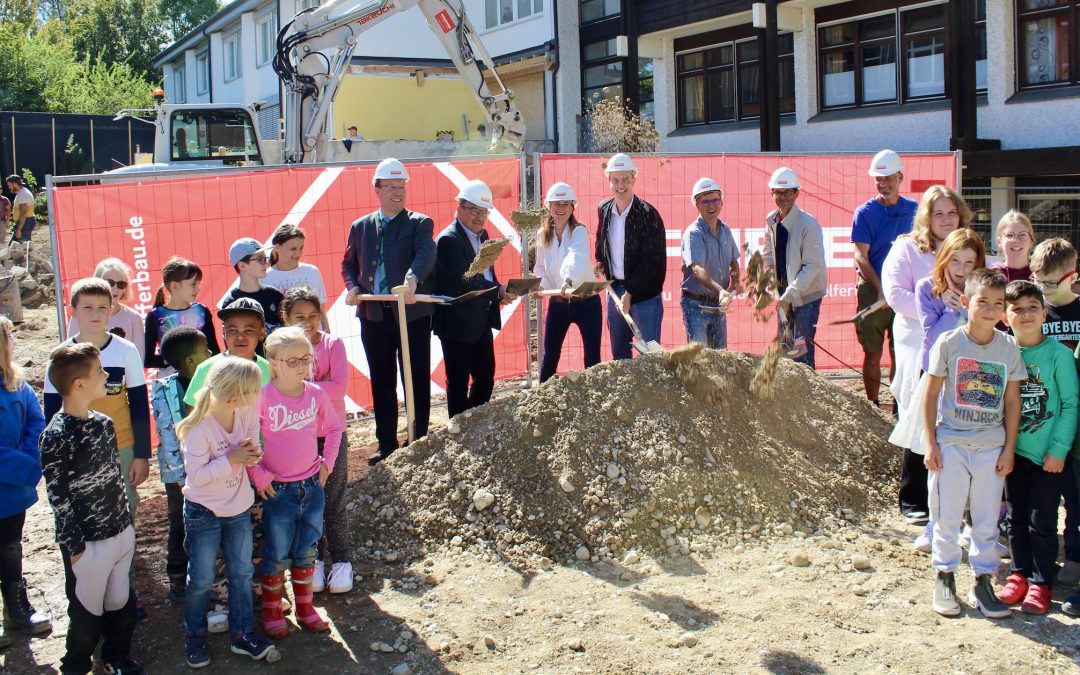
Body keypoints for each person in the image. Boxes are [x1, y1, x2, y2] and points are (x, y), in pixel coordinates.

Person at [44, 277, 151, 617]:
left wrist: (142, 454)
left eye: (102, 307)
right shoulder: (60, 356)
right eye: (87, 307)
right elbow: (51, 413)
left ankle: (122, 598)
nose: (95, 313)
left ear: (112, 310)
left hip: (121, 449)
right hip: (78, 460)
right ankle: (85, 603)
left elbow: (138, 403)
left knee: (123, 523)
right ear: (73, 310)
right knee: (82, 527)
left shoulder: (125, 350)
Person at [922, 268, 1024, 619]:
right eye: (983, 301)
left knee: (985, 520)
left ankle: (983, 580)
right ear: (965, 302)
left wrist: (1008, 447)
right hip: (951, 443)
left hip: (991, 447)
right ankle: (945, 574)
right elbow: (931, 392)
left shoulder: (1008, 346)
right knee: (947, 515)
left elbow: (1012, 400)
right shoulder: (949, 343)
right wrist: (931, 442)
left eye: (999, 303)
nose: (991, 309)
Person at [40, 342, 144, 675]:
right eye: (100, 371)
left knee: (121, 606)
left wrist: (127, 524)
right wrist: (75, 549)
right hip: (87, 544)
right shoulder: (55, 436)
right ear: (79, 384)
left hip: (119, 532)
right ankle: (75, 666)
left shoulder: (102, 422)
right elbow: (58, 497)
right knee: (86, 616)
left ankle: (116, 657)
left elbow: (114, 475)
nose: (107, 376)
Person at [176, 356, 281, 667]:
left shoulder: (245, 411)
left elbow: (252, 448)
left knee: (242, 572)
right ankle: (194, 635)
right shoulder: (199, 428)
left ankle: (243, 633)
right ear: (235, 395)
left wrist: (250, 455)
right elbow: (197, 477)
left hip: (237, 507)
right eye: (254, 389)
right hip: (203, 511)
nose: (260, 393)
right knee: (202, 578)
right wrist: (234, 458)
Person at [882, 185, 971, 525]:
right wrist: (934, 311)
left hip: (962, 341)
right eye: (939, 213)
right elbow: (895, 294)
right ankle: (914, 496)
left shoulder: (966, 246)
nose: (946, 219)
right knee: (918, 411)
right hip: (917, 338)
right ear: (927, 217)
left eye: (951, 212)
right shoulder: (907, 248)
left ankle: (956, 499)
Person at [249, 327, 343, 639]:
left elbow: (333, 428)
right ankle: (273, 610)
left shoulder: (315, 393)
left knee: (306, 550)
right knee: (276, 552)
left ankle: (305, 606)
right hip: (279, 491)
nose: (303, 366)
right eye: (293, 361)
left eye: (307, 359)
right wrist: (259, 476)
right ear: (272, 361)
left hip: (312, 487)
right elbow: (245, 439)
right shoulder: (261, 397)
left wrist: (327, 464)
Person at [341, 158, 436, 464]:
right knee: (381, 379)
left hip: (411, 314)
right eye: (392, 187)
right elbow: (349, 264)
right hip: (374, 316)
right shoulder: (361, 227)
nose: (398, 192)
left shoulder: (419, 223)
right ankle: (386, 442)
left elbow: (426, 252)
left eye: (402, 187)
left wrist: (412, 278)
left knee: (416, 376)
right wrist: (352, 286)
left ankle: (418, 435)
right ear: (377, 190)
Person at [996, 281, 1078, 615]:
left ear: (1045, 313)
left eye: (1033, 307)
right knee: (1015, 518)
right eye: (1017, 309)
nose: (1026, 314)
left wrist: (1059, 449)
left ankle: (1041, 582)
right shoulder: (1003, 352)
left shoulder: (1058, 354)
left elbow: (1071, 404)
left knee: (1042, 521)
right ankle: (1018, 574)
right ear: (1005, 316)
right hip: (1013, 451)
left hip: (1048, 457)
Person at [281, 287, 353, 594]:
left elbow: (339, 387)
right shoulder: (281, 350)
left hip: (332, 436)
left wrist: (302, 389)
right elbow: (280, 389)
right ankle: (314, 560)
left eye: (313, 316)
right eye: (299, 317)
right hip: (298, 440)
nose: (308, 323)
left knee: (333, 500)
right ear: (285, 319)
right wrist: (314, 389)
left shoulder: (333, 344)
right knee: (307, 503)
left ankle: (342, 561)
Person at [433, 180, 513, 416]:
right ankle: (458, 430)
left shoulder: (483, 235)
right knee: (458, 382)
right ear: (459, 208)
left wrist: (498, 292)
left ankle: (475, 424)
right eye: (474, 211)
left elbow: (485, 273)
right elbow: (465, 280)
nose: (479, 217)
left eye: (484, 212)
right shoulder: (448, 240)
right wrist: (497, 290)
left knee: (485, 376)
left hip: (479, 320)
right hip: (457, 324)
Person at [1027, 238, 1080, 588]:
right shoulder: (1035, 313)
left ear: (1072, 276)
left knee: (1076, 495)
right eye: (1037, 281)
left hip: (1076, 421)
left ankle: (1074, 556)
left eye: (1050, 283)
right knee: (1041, 494)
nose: (1043, 290)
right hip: (1043, 419)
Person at [150, 326, 213, 603]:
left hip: (212, 468)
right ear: (190, 361)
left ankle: (210, 574)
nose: (212, 354)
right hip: (180, 475)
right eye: (206, 350)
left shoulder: (215, 384)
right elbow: (167, 434)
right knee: (181, 521)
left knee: (211, 519)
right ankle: (178, 575)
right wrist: (181, 477)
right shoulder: (164, 390)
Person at [0, 317, 50, 650]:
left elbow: (36, 421)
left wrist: (30, 461)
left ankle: (17, 608)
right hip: (15, 477)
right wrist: (22, 465)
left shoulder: (17, 383)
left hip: (12, 493)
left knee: (11, 547)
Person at [851, 150, 917, 406]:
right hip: (872, 290)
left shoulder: (915, 210)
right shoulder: (865, 212)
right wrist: (881, 288)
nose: (883, 184)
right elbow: (861, 256)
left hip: (906, 290)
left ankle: (900, 407)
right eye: (879, 179)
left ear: (900, 176)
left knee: (902, 352)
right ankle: (872, 406)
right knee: (873, 351)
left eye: (888, 178)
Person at [594, 153, 667, 360]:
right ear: (609, 181)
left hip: (644, 295)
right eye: (615, 180)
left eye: (625, 179)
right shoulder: (605, 209)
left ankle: (652, 394)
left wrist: (631, 292)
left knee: (650, 355)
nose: (621, 185)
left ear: (634, 179)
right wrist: (600, 260)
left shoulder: (647, 214)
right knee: (620, 355)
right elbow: (601, 240)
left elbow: (651, 260)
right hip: (615, 290)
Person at [533, 182, 600, 382]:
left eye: (565, 204)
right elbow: (540, 268)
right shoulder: (542, 235)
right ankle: (541, 400)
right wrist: (541, 286)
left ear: (573, 208)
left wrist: (568, 281)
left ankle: (596, 401)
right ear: (549, 206)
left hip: (587, 303)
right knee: (550, 356)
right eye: (556, 204)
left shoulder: (578, 231)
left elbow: (576, 256)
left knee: (592, 359)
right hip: (558, 303)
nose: (560, 209)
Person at [762, 167, 826, 368]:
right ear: (772, 193)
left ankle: (808, 398)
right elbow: (768, 256)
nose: (783, 196)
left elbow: (812, 266)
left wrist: (788, 296)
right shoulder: (771, 221)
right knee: (786, 349)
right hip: (784, 296)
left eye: (788, 191)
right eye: (778, 192)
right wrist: (772, 283)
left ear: (797, 193)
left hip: (805, 298)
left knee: (801, 355)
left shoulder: (808, 224)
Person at [680, 177, 741, 349]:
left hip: (718, 305)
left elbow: (733, 262)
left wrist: (735, 284)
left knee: (721, 356)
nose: (711, 205)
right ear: (697, 205)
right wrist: (722, 290)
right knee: (700, 358)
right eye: (705, 201)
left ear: (722, 202)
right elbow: (698, 269)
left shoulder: (725, 230)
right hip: (696, 306)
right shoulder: (694, 233)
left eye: (715, 200)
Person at [915, 229, 986, 374]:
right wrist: (952, 309)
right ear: (944, 258)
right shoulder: (926, 287)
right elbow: (934, 336)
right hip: (934, 368)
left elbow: (986, 330)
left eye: (969, 262)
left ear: (977, 264)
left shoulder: (984, 288)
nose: (961, 269)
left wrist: (964, 308)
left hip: (972, 368)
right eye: (955, 260)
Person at [185, 298, 273, 406]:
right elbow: (193, 413)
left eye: (249, 330)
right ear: (223, 332)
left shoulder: (270, 371)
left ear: (261, 333)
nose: (240, 337)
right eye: (232, 330)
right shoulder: (206, 369)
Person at [144, 257, 220, 371]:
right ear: (174, 286)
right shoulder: (155, 316)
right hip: (170, 382)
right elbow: (148, 360)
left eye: (199, 284)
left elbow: (214, 352)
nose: (198, 289)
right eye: (193, 284)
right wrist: (180, 361)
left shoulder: (202, 311)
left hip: (200, 378)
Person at [68, 258, 146, 360]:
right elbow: (71, 355)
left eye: (121, 284)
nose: (115, 289)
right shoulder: (79, 316)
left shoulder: (134, 318)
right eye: (110, 283)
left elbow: (138, 359)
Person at [218, 238, 284, 340]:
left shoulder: (274, 295)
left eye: (265, 258)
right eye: (260, 259)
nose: (266, 263)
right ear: (242, 266)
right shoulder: (232, 302)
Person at [992, 210, 1035, 283]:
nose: (1016, 240)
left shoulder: (1041, 275)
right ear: (999, 241)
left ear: (1031, 241)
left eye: (1022, 235)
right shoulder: (992, 276)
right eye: (1009, 235)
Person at [5, 175, 35, 243]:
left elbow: (23, 213)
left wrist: (19, 229)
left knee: (23, 246)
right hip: (25, 222)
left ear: (15, 184)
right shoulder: (22, 192)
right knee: (15, 246)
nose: (9, 187)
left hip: (26, 222)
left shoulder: (23, 194)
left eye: (9, 185)